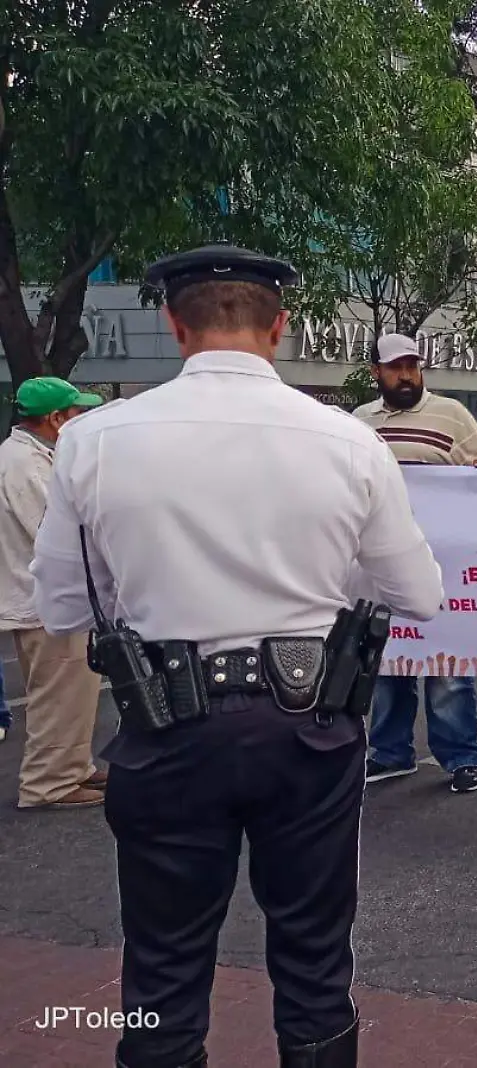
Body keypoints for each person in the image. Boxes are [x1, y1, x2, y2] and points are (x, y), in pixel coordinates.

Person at [30, 244, 445, 1068]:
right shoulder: (350, 441)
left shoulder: (92, 442)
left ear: (174, 326)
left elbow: (63, 606)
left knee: (163, 970)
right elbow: (417, 593)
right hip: (309, 727)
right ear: (280, 326)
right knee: (316, 964)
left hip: (166, 727)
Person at [355, 332, 477, 794]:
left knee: (447, 668)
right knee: (386, 663)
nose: (406, 375)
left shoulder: (450, 415)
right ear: (376, 372)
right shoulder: (360, 423)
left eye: (413, 366)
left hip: (442, 564)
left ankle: (461, 756)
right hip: (379, 565)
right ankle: (390, 752)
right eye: (396, 367)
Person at [1, 377, 107, 809]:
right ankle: (50, 783)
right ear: (55, 418)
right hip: (44, 599)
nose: (81, 419)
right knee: (58, 692)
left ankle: (72, 767)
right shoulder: (25, 465)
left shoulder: (30, 457)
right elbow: (55, 531)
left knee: (70, 691)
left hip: (42, 597)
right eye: (76, 412)